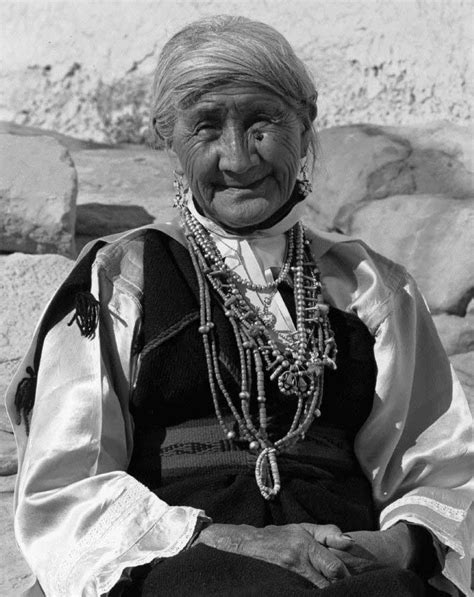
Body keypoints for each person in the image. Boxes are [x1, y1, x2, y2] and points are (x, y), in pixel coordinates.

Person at [5, 14, 473, 597]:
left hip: (354, 571)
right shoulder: (122, 277)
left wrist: (394, 545)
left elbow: (443, 470)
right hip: (188, 568)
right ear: (167, 138)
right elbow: (67, 483)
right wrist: (232, 541)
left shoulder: (371, 287)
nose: (238, 158)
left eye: (263, 122)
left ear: (306, 124)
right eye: (205, 128)